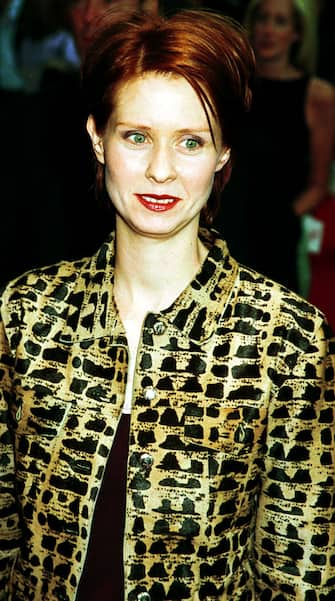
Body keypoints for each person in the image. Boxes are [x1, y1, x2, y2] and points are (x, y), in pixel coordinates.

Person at [0, 7, 334, 601]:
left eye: (190, 141)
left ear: (223, 153)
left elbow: (299, 576)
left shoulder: (286, 339)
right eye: (136, 136)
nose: (160, 170)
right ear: (96, 138)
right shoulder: (27, 314)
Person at [215, 0, 335, 294]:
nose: (268, 30)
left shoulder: (317, 95)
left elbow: (319, 184)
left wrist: (284, 220)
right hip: (221, 223)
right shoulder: (231, 84)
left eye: (280, 22)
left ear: (297, 33)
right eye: (263, 19)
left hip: (277, 237)